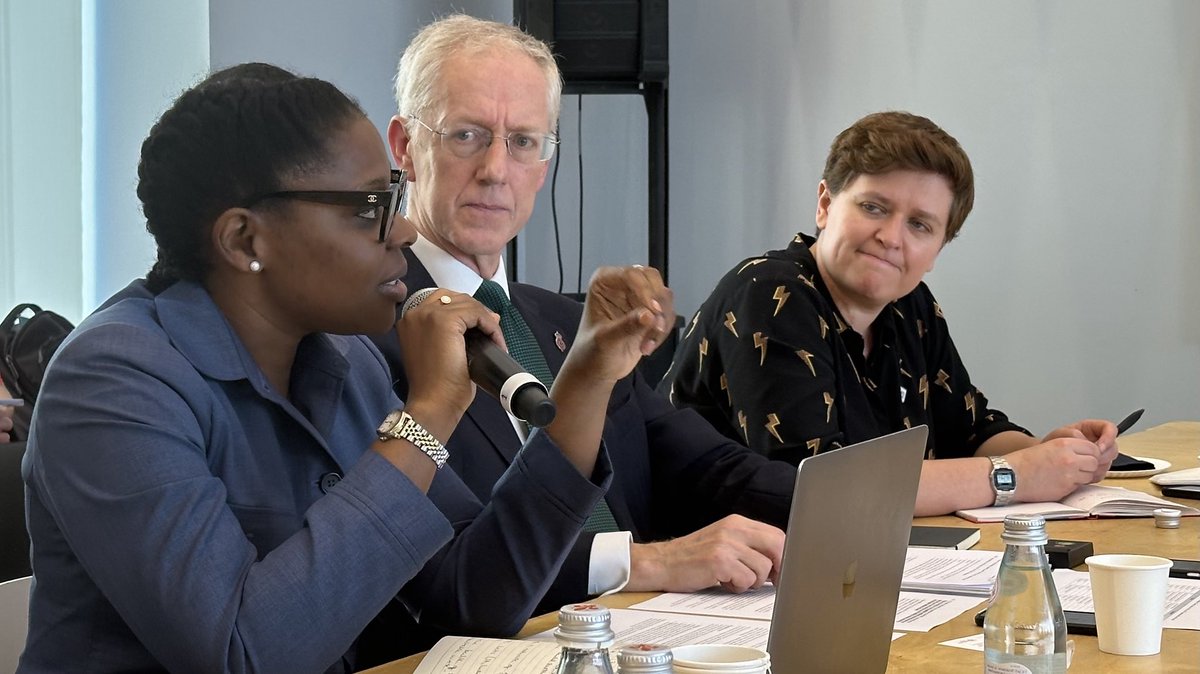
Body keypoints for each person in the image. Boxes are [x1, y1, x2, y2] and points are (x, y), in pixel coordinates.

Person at [18, 62, 674, 673]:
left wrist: (588, 375)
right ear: (247, 240)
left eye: (394, 196)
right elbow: (244, 654)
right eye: (369, 208)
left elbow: (472, 599)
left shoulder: (341, 358)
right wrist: (428, 414)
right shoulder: (113, 380)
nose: (403, 232)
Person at [370, 14, 797, 622]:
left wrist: (866, 506)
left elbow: (715, 471)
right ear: (405, 146)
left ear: (544, 165)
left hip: (642, 636)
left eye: (523, 141)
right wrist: (645, 562)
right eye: (466, 134)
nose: (496, 169)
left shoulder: (568, 322)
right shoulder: (366, 332)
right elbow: (443, 572)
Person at [659, 111, 1119, 517]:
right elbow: (822, 488)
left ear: (938, 249)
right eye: (873, 207)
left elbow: (971, 430)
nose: (891, 237)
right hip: (703, 583)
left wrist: (1054, 456)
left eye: (920, 225)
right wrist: (1013, 477)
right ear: (825, 204)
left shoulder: (909, 305)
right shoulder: (769, 293)